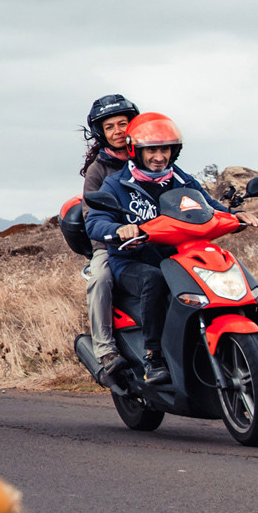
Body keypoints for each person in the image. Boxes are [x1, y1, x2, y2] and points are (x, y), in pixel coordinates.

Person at [87, 112, 258, 387]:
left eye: (164, 149)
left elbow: (207, 207)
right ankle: (154, 358)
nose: (159, 156)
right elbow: (95, 221)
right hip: (132, 260)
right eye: (151, 150)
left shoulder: (182, 180)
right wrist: (119, 229)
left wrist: (236, 215)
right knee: (153, 279)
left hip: (176, 256)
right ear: (136, 150)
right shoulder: (116, 183)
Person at [79, 94, 140, 370]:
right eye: (110, 127)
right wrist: (116, 231)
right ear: (101, 133)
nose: (118, 131)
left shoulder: (152, 156)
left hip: (156, 239)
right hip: (112, 245)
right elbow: (91, 215)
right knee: (100, 277)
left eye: (123, 123)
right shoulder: (98, 170)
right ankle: (105, 350)